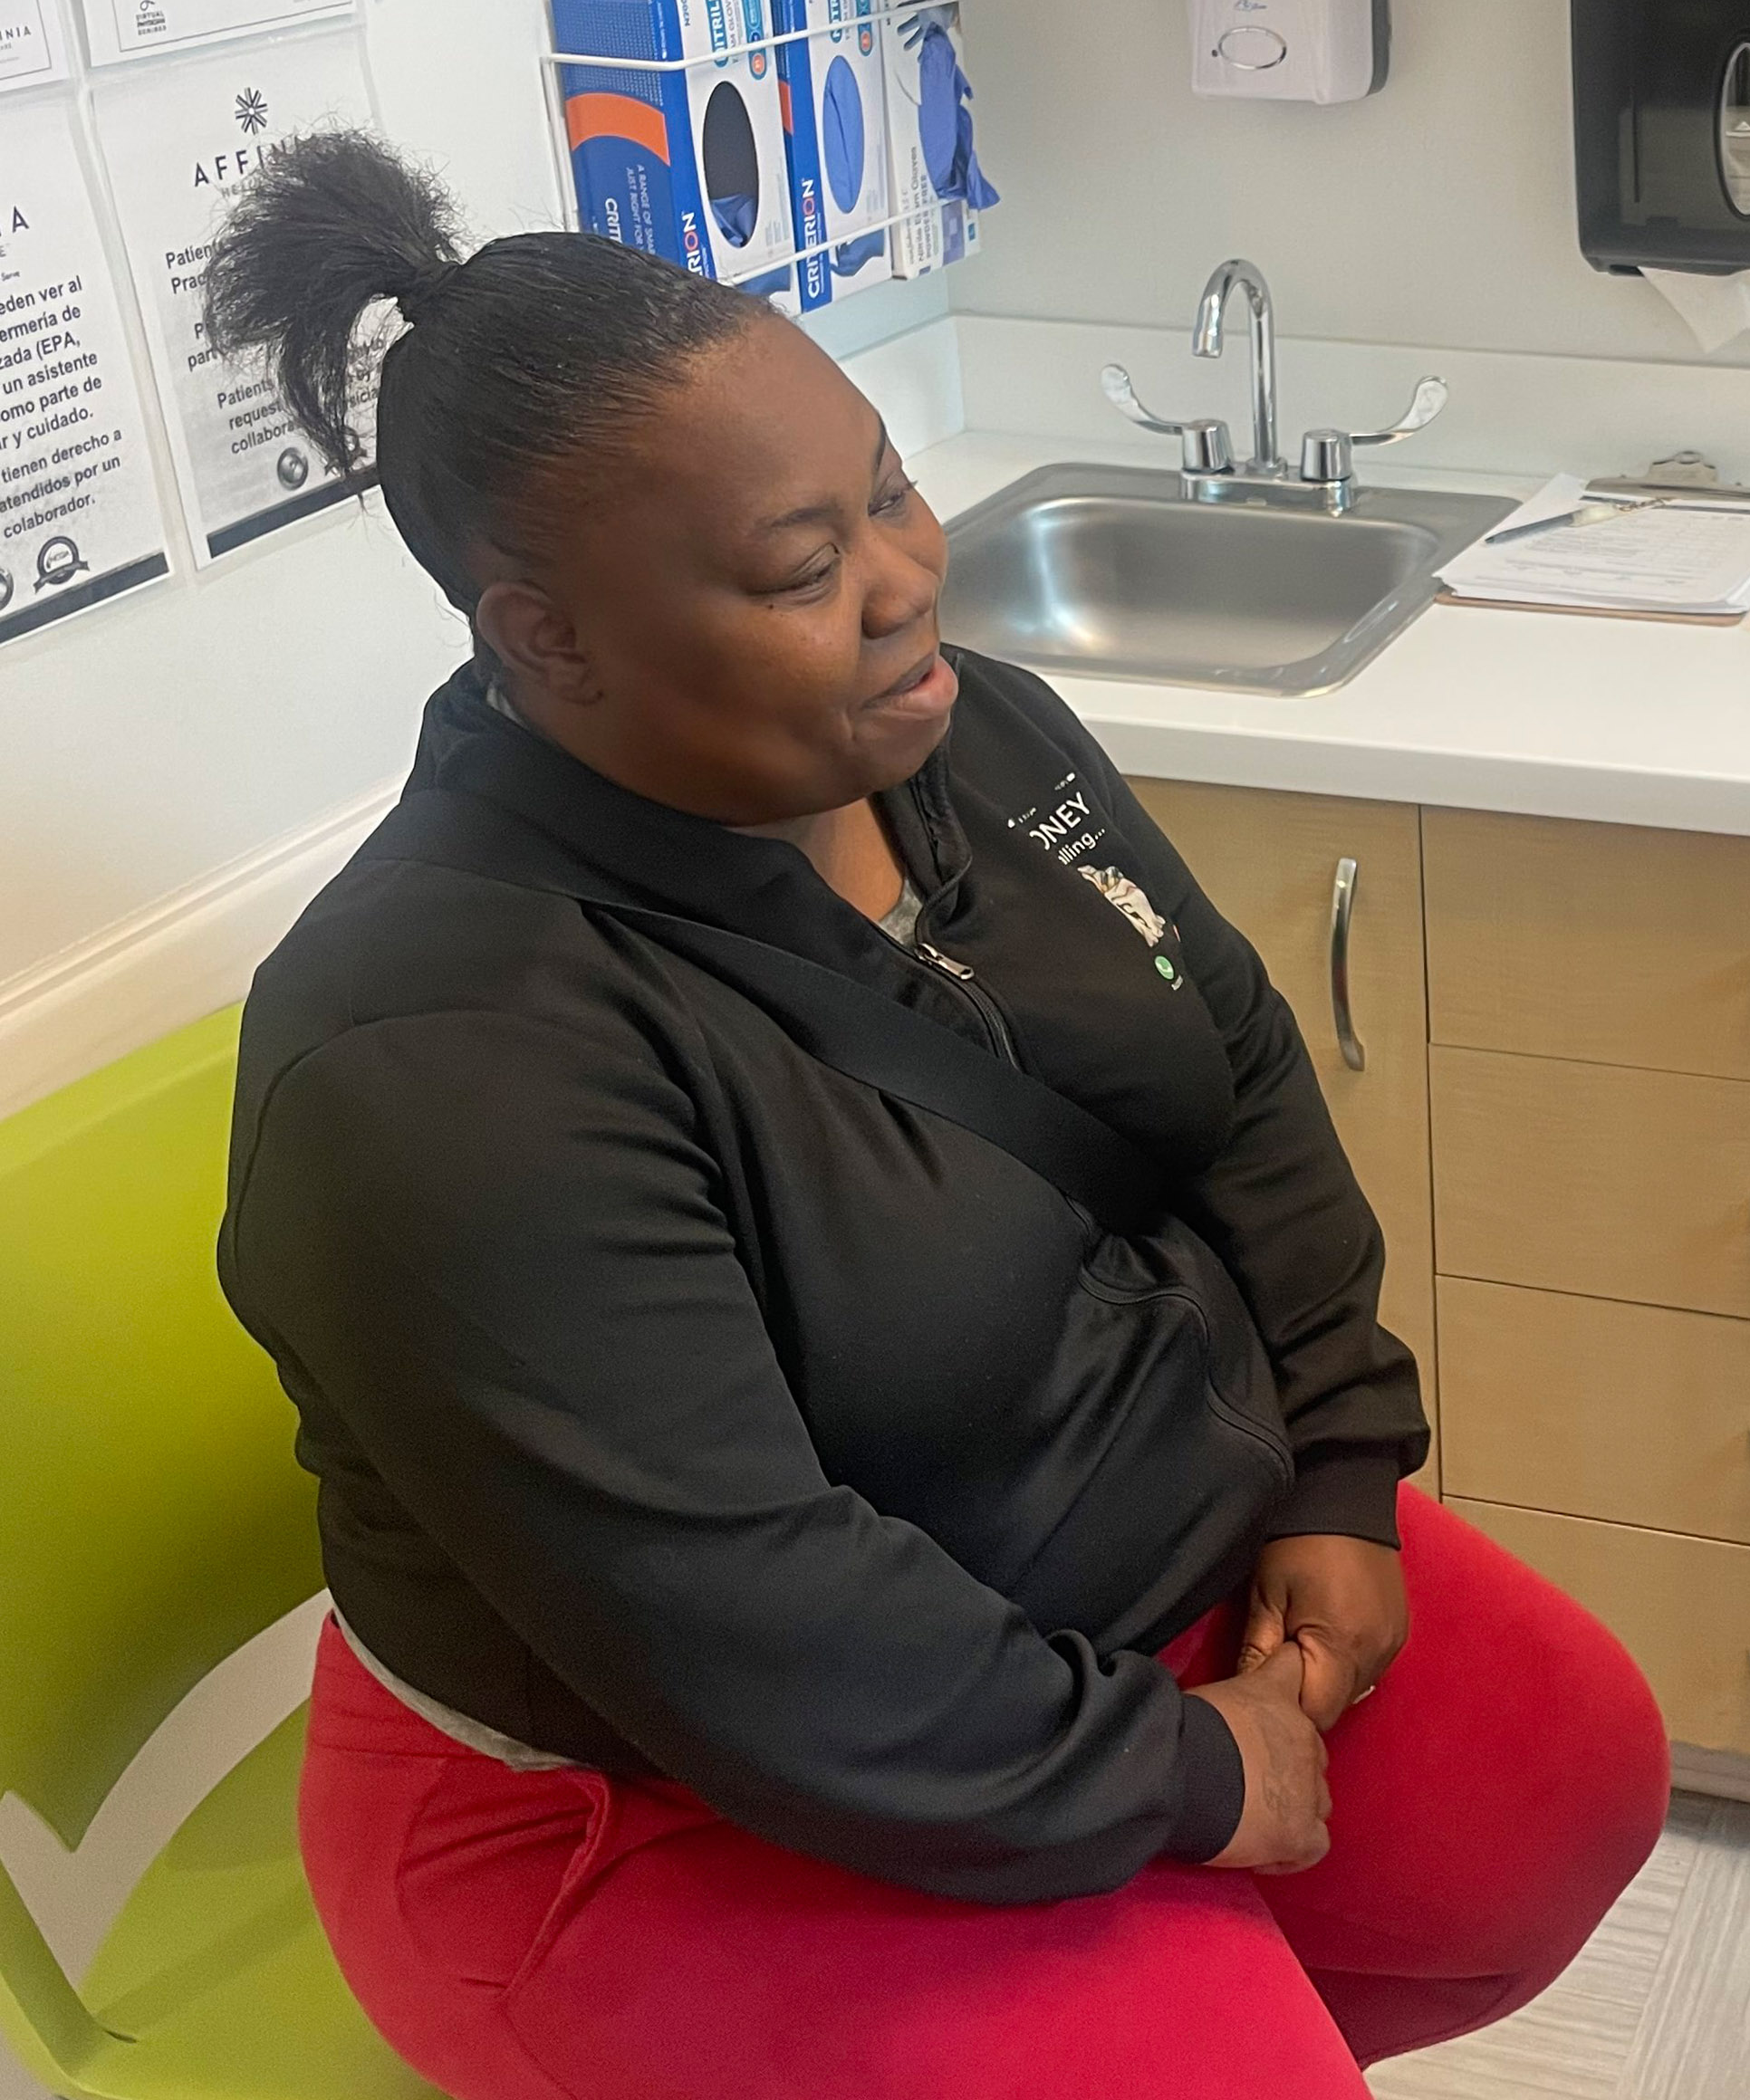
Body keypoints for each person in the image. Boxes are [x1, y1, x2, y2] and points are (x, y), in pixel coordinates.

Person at [207, 130, 1669, 2100]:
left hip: (1104, 1564)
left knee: (1567, 1780)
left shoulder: (960, 732)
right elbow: (747, 1616)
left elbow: (1230, 1062)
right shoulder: (436, 1052)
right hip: (661, 1775)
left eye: (887, 488)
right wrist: (1181, 1773)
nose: (907, 579)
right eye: (807, 569)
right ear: (545, 637)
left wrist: (1334, 1453)